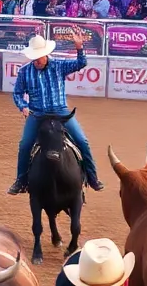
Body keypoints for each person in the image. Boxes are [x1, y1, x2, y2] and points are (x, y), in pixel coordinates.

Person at [8, 31, 103, 194]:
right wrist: (23, 106)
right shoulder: (25, 71)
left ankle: (92, 178)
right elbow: (17, 93)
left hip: (60, 112)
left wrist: (79, 47)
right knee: (25, 145)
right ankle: (21, 181)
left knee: (82, 141)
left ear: (46, 54)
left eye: (39, 56)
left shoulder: (59, 65)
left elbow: (81, 63)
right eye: (34, 57)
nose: (36, 60)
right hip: (37, 114)